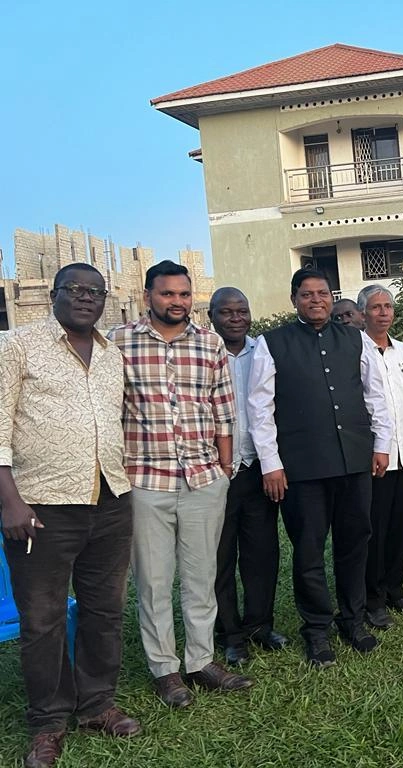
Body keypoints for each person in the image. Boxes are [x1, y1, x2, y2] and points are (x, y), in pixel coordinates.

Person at [0, 264, 140, 768]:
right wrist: (9, 500)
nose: (85, 298)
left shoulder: (111, 354)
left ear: (105, 299)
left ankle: (98, 703)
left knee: (105, 609)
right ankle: (48, 721)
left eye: (95, 292)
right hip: (40, 506)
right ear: (54, 295)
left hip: (109, 498)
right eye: (74, 290)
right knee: (42, 619)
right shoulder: (17, 345)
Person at [109, 260, 252, 708]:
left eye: (184, 294)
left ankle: (201, 660)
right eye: (168, 294)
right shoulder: (119, 342)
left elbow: (224, 411)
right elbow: (110, 409)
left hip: (202, 478)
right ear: (148, 295)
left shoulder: (209, 344)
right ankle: (165, 670)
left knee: (201, 575)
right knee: (153, 580)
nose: (177, 302)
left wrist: (224, 468)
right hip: (146, 479)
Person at [248, 268, 393, 666]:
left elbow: (375, 395)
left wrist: (381, 445)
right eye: (307, 294)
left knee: (354, 543)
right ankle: (316, 629)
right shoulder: (272, 343)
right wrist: (271, 464)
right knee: (309, 550)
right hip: (302, 466)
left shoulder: (355, 339)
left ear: (332, 297)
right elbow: (260, 409)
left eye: (323, 293)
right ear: (294, 298)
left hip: (353, 460)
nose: (317, 300)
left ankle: (353, 619)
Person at [207, 288, 287, 667]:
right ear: (211, 316)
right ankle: (230, 633)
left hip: (258, 468)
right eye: (227, 312)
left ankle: (260, 624)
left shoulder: (265, 350)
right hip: (216, 469)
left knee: (262, 552)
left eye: (242, 310)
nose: (236, 318)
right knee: (220, 556)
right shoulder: (202, 353)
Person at [358, 285, 403, 630]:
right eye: (375, 307)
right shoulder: (356, 351)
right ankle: (373, 599)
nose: (383, 312)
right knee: (375, 528)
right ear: (362, 313)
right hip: (375, 457)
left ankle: (395, 589)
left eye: (387, 306)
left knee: (401, 526)